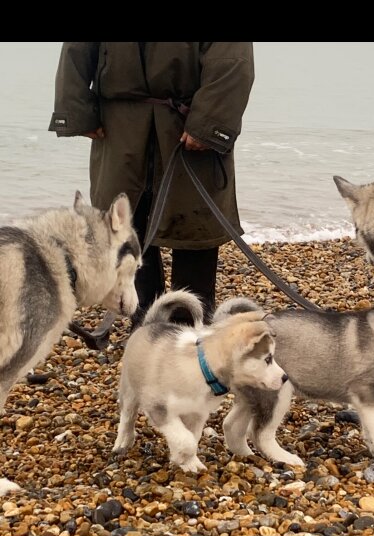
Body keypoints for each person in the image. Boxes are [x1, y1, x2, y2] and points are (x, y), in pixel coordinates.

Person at [49, 42, 255, 326]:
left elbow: (232, 58)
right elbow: (77, 49)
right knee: (127, 230)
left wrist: (210, 123)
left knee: (195, 236)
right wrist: (76, 110)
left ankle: (190, 331)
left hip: (186, 125)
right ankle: (144, 327)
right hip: (118, 128)